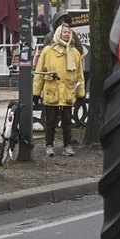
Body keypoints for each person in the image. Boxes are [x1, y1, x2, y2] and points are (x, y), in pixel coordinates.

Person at [33, 23, 85, 157]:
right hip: (52, 91)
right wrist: (36, 93)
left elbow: (79, 76)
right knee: (50, 121)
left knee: (67, 122)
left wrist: (80, 93)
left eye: (69, 32)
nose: (67, 34)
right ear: (58, 33)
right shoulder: (47, 51)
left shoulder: (74, 53)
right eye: (64, 32)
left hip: (68, 92)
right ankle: (49, 146)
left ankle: (67, 146)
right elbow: (39, 73)